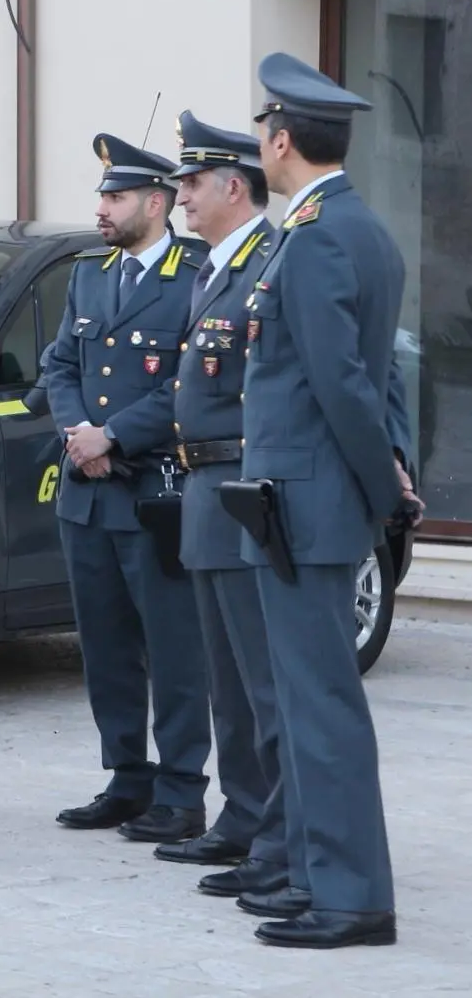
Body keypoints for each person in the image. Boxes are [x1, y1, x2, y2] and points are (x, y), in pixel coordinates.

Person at [238, 53, 417, 949]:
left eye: (261, 138)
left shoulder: (315, 238)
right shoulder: (359, 229)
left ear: (280, 142)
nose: (257, 152)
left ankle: (349, 899)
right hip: (309, 499)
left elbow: (341, 383)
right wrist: (385, 469)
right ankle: (315, 877)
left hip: (305, 503)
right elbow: (375, 376)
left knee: (318, 708)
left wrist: (381, 487)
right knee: (309, 701)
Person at [44, 133, 212, 843]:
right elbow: (57, 364)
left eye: (114, 197)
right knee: (105, 646)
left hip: (152, 493)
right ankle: (126, 777)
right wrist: (78, 432)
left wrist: (113, 436)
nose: (101, 208)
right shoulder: (90, 274)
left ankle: (180, 791)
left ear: (156, 200)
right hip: (86, 495)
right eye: (101, 196)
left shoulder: (195, 274)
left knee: (172, 650)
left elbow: (194, 381)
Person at [148, 111, 298, 902]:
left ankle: (279, 833)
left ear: (231, 187)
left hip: (247, 484)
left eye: (190, 183)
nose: (178, 197)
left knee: (262, 677)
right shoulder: (211, 267)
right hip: (204, 484)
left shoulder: (271, 262)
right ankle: (242, 815)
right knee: (225, 678)